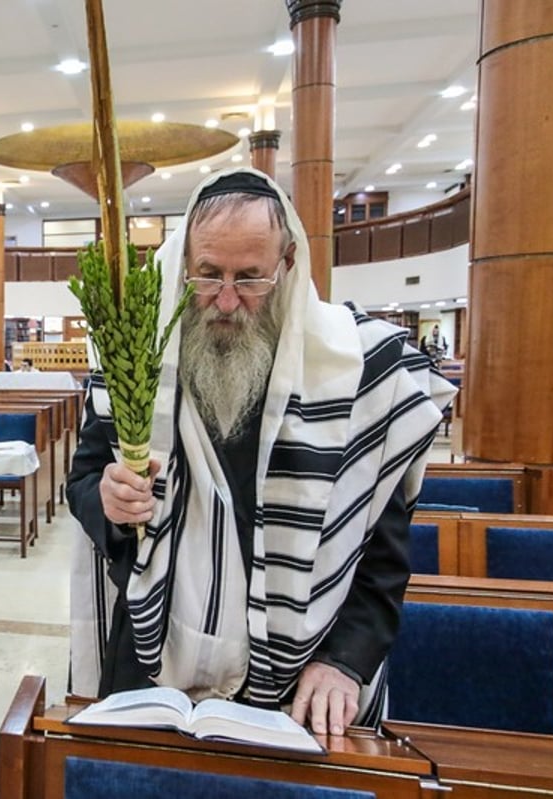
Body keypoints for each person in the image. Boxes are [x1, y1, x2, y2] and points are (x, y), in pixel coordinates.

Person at [67, 168, 455, 737]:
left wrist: (346, 660)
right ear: (183, 267)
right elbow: (82, 483)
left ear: (288, 264)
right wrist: (109, 502)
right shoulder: (136, 352)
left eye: (250, 278)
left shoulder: (360, 374)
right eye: (208, 276)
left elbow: (382, 550)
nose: (225, 300)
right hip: (152, 659)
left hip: (303, 678)